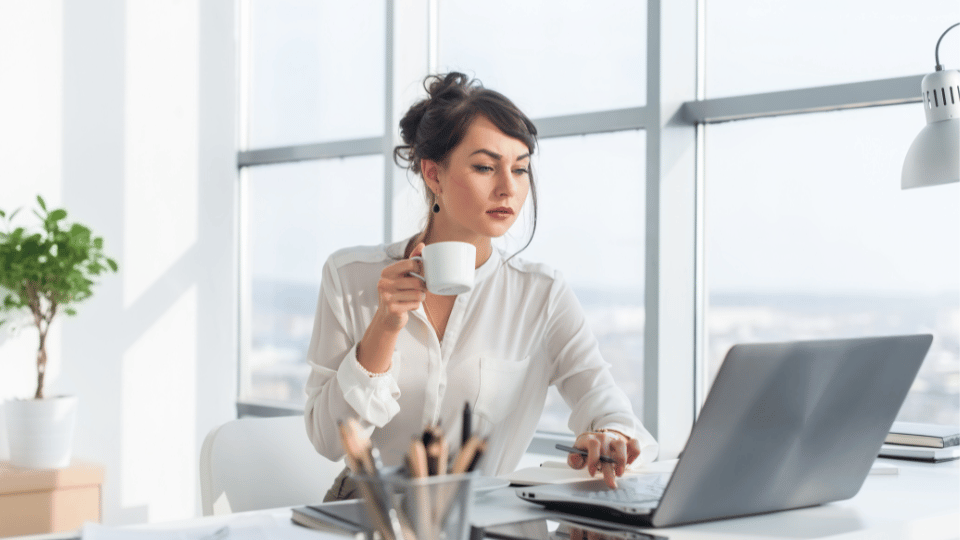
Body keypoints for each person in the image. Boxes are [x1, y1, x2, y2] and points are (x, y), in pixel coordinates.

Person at [304, 72, 658, 501]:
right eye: (485, 167)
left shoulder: (541, 294)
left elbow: (605, 401)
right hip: (370, 515)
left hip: (483, 517)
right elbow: (327, 439)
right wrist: (385, 327)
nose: (508, 187)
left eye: (521, 169)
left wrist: (610, 435)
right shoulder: (350, 277)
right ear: (433, 174)